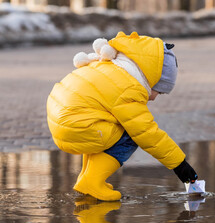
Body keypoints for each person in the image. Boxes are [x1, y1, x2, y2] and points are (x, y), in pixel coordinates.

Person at [47, 31, 198, 201]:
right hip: (76, 127)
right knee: (131, 135)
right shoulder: (129, 87)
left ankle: (86, 178)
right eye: (160, 91)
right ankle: (91, 181)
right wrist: (181, 166)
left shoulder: (110, 67)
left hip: (63, 122)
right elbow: (148, 134)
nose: (155, 97)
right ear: (152, 79)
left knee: (101, 126)